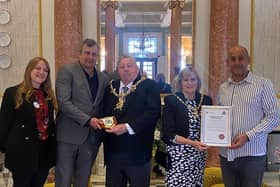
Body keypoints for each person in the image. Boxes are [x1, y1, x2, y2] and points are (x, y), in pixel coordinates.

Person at [217, 45, 280, 187]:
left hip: (252, 156)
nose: (237, 62)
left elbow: (274, 117)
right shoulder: (223, 88)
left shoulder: (263, 84)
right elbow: (220, 117)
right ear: (227, 63)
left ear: (248, 60)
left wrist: (248, 135)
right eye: (233, 59)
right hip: (227, 155)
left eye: (241, 58)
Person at [55, 38, 108, 187]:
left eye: (94, 54)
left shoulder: (103, 78)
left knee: (83, 180)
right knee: (64, 179)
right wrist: (88, 120)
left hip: (91, 139)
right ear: (79, 53)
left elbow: (102, 106)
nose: (90, 57)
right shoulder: (66, 71)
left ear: (97, 57)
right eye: (87, 53)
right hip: (68, 136)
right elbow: (64, 102)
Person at [102, 54, 161, 187]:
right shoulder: (110, 87)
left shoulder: (149, 86)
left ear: (137, 69)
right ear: (118, 70)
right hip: (114, 153)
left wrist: (127, 127)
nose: (126, 69)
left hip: (138, 154)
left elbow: (153, 113)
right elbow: (104, 112)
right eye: (122, 66)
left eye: (129, 66)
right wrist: (106, 126)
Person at [0, 57, 57, 187]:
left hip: (43, 153)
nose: (41, 72)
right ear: (29, 70)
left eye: (45, 70)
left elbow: (50, 124)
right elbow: (4, 123)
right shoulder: (13, 93)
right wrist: (3, 148)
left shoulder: (48, 95)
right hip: (22, 152)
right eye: (38, 68)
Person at [162, 67, 212, 187]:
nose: (190, 83)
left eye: (193, 79)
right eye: (186, 80)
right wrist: (193, 143)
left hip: (199, 154)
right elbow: (169, 134)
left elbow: (211, 126)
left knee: (196, 183)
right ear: (180, 83)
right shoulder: (172, 100)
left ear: (198, 81)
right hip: (178, 155)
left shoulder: (205, 100)